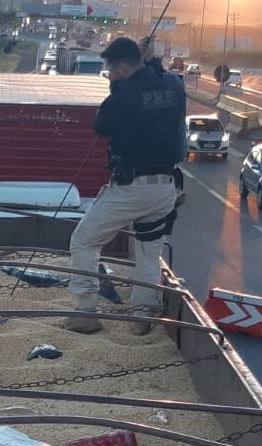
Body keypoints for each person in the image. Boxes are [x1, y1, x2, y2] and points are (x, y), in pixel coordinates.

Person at [61, 35, 186, 336]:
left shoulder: (124, 94)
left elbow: (101, 125)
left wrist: (119, 86)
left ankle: (85, 312)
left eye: (111, 71)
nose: (111, 76)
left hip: (132, 187)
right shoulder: (174, 85)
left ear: (119, 68)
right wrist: (150, 63)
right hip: (167, 187)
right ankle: (142, 314)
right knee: (148, 249)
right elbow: (159, 81)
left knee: (84, 241)